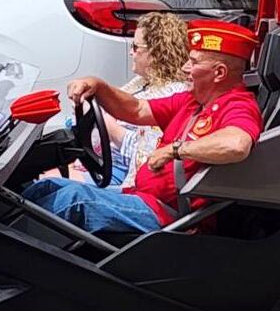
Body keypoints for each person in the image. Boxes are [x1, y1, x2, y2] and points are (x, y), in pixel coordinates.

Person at [23, 19, 263, 233]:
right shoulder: (192, 101)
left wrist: (175, 150)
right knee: (46, 186)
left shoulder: (238, 105)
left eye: (193, 62)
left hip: (167, 215)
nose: (184, 69)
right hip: (141, 196)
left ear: (219, 73)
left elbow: (236, 144)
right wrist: (97, 85)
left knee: (72, 199)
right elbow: (137, 109)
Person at [69, 12, 189, 188]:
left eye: (135, 46)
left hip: (115, 170)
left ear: (156, 52)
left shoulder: (171, 94)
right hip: (96, 158)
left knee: (43, 184)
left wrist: (105, 120)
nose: (130, 52)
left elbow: (142, 153)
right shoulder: (142, 83)